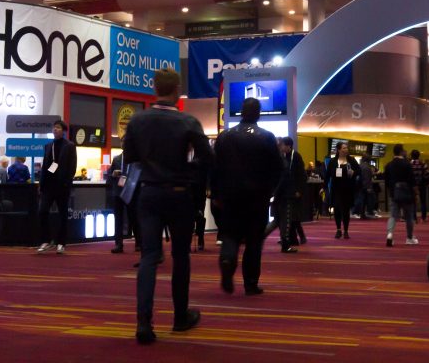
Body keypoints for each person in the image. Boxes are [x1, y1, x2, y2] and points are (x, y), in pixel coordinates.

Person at [123, 68, 211, 344]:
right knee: (181, 256)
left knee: (149, 256)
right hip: (179, 193)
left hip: (148, 193)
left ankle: (143, 322)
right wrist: (188, 170)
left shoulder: (137, 120)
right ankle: (180, 317)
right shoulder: (188, 121)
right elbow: (208, 158)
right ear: (177, 91)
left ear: (154, 88)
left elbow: (130, 156)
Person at [214, 97, 283, 293]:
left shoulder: (225, 136)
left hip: (230, 196)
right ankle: (250, 283)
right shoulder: (267, 137)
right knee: (254, 240)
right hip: (257, 197)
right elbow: (278, 168)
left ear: (241, 112)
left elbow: (214, 167)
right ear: (258, 114)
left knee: (230, 234)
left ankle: (228, 259)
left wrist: (216, 193)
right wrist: (270, 191)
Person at [38, 120, 77, 255]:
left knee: (63, 214)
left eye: (58, 127)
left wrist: (66, 183)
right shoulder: (48, 146)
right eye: (54, 127)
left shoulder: (69, 146)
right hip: (48, 186)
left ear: (63, 130)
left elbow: (72, 166)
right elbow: (45, 166)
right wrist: (41, 184)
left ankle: (61, 243)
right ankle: (46, 240)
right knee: (42, 211)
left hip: (62, 186)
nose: (55, 129)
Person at [264, 136, 304, 253]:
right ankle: (285, 244)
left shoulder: (273, 158)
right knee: (285, 219)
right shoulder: (281, 159)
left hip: (278, 194)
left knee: (277, 220)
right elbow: (284, 178)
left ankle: (258, 237)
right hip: (285, 194)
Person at [384, 144, 417, 246]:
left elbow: (386, 181)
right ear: (401, 151)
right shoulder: (407, 164)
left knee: (393, 216)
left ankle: (390, 234)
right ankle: (409, 238)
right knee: (409, 217)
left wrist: (391, 191)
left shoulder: (389, 165)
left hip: (394, 193)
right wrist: (415, 193)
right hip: (407, 194)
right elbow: (412, 180)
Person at [326, 142, 360, 239]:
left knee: (346, 210)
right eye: (344, 148)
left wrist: (354, 172)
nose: (346, 150)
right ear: (339, 150)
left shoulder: (351, 160)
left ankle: (346, 230)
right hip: (336, 189)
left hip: (347, 189)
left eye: (346, 148)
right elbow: (327, 175)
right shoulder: (333, 161)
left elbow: (359, 171)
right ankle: (338, 229)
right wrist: (324, 187)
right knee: (337, 209)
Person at [409, 150, 429, 222]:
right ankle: (423, 217)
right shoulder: (423, 163)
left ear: (411, 156)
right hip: (422, 185)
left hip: (412, 185)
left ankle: (414, 218)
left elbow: (408, 175)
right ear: (419, 155)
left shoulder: (409, 164)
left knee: (413, 202)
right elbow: (427, 174)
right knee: (423, 201)